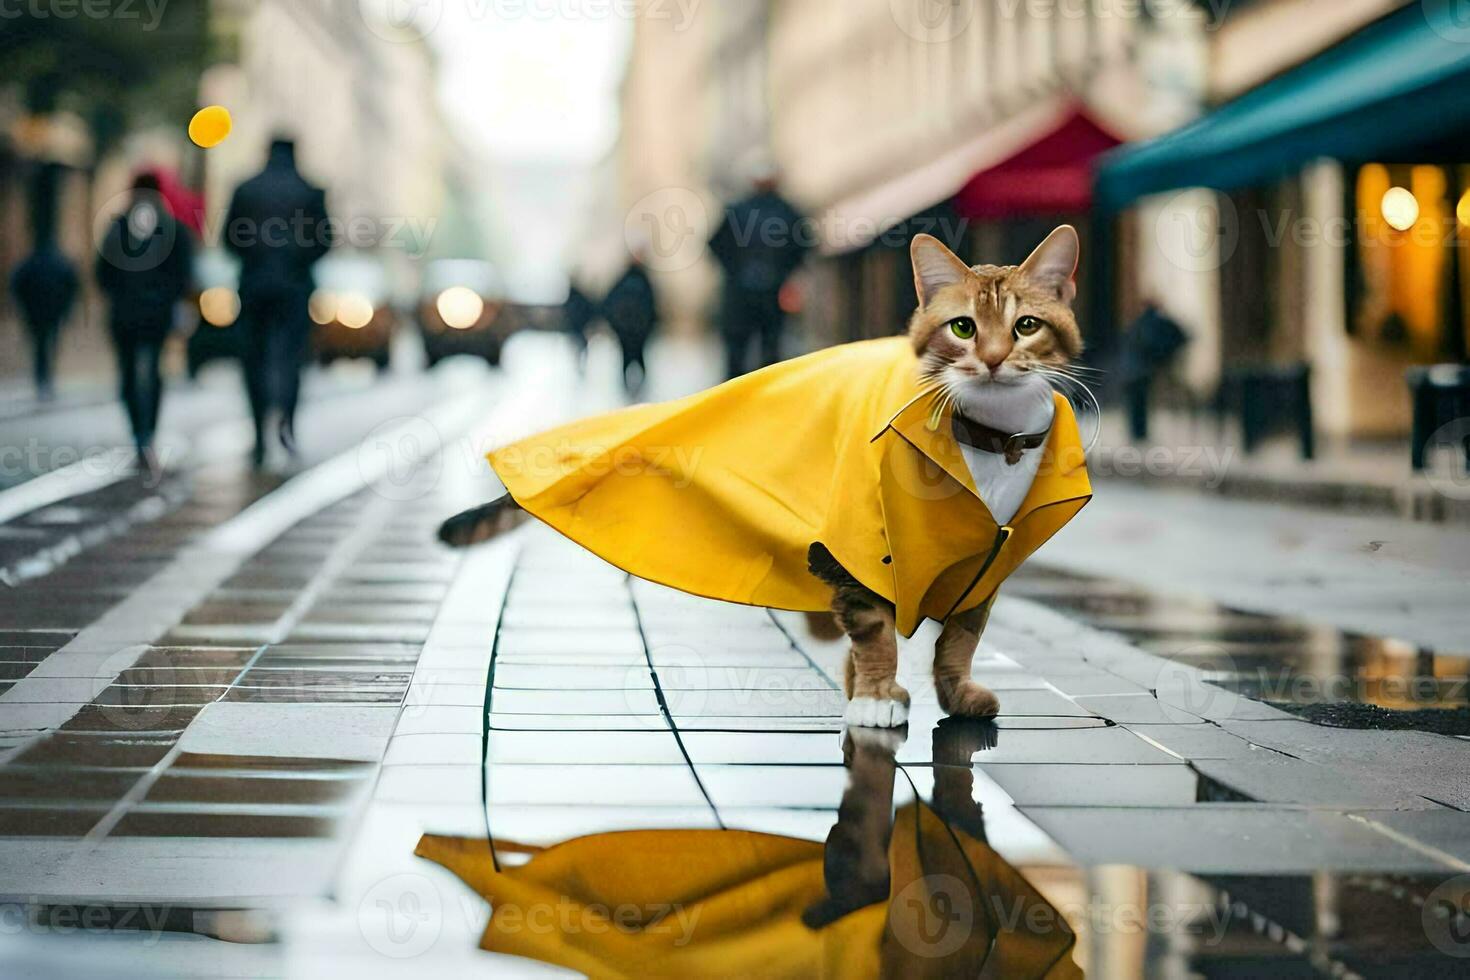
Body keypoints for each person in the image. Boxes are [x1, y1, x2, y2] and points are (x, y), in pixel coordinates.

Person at [224, 138, 330, 467]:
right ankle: (287, 427)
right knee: (292, 359)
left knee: (253, 359)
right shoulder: (310, 191)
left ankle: (258, 434)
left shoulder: (246, 190)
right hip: (294, 288)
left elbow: (229, 237)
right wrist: (298, 261)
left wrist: (254, 258)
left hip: (254, 286)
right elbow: (324, 239)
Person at [95, 173, 194, 468]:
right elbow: (184, 275)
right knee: (153, 370)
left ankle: (138, 432)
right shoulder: (173, 228)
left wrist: (120, 294)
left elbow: (102, 272)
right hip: (157, 314)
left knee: (127, 372)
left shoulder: (118, 227)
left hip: (124, 313)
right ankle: (148, 432)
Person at [708, 167, 809, 378]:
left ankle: (735, 395)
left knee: (741, 350)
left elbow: (716, 244)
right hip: (767, 291)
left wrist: (734, 271)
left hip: (747, 293)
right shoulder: (786, 212)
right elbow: (804, 245)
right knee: (768, 349)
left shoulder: (738, 211)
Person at [10, 163, 79, 400]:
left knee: (42, 344)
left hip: (40, 310)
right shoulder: (56, 262)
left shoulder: (34, 262)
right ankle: (45, 379)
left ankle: (44, 379)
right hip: (49, 310)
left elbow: (17, 283)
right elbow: (72, 284)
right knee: (47, 343)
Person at [601, 255, 658, 396]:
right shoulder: (643, 281)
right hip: (634, 330)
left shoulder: (625, 281)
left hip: (629, 329)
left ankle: (630, 388)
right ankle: (634, 388)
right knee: (636, 358)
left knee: (630, 359)